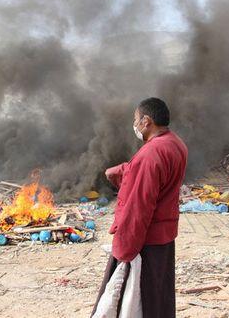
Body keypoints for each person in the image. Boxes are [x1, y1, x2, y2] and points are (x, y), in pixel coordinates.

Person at [92, 97, 188, 318]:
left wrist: (123, 250)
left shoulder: (150, 154)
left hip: (144, 242)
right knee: (158, 297)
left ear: (146, 121)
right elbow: (156, 175)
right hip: (164, 238)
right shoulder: (175, 144)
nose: (134, 125)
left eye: (135, 120)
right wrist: (122, 170)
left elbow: (138, 208)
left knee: (135, 302)